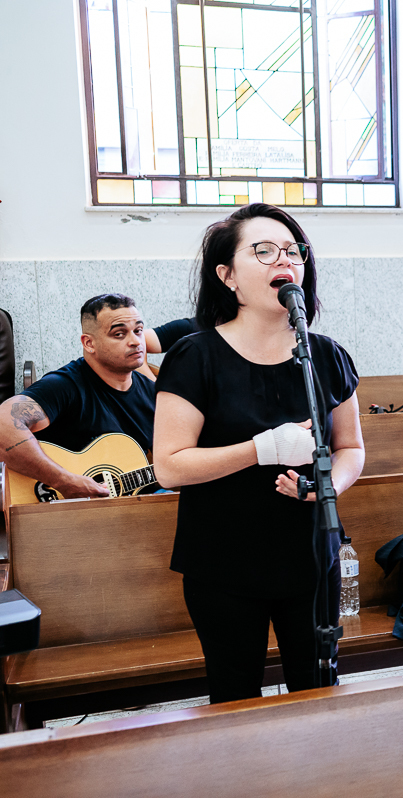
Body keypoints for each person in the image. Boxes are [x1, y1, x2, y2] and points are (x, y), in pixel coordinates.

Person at [153, 203, 364, 703]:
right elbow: (170, 466)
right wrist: (260, 449)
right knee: (235, 699)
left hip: (310, 557)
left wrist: (329, 484)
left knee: (318, 693)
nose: (283, 260)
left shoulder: (325, 355)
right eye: (263, 251)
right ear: (227, 276)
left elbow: (351, 447)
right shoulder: (195, 356)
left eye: (293, 251)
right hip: (224, 563)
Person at [0, 294, 155, 498]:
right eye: (119, 334)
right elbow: (3, 425)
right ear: (89, 343)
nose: (135, 341)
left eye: (138, 331)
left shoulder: (154, 394)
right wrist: (63, 480)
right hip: (53, 507)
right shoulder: (64, 385)